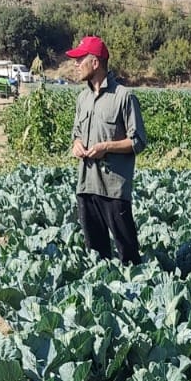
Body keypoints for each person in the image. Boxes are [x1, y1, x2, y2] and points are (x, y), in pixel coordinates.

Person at [67, 35, 146, 265]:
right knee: (95, 254)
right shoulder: (82, 98)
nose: (75, 64)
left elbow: (138, 141)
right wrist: (77, 145)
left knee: (127, 253)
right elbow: (76, 134)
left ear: (95, 62)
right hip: (86, 186)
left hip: (113, 189)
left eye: (80, 59)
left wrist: (106, 147)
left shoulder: (124, 97)